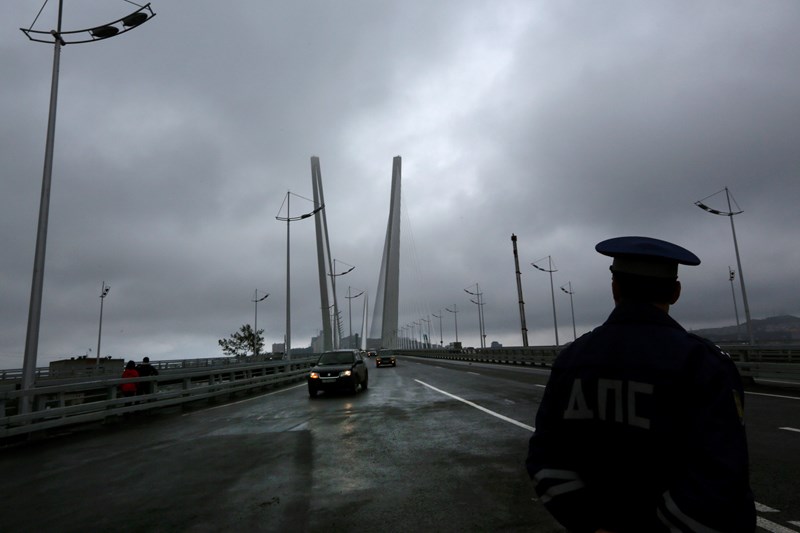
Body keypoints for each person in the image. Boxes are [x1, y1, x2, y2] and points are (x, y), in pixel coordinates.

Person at [526, 236, 755, 532]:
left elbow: (547, 457)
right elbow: (721, 475)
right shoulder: (702, 362)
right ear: (675, 292)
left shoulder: (573, 359)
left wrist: (591, 523)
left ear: (614, 289)